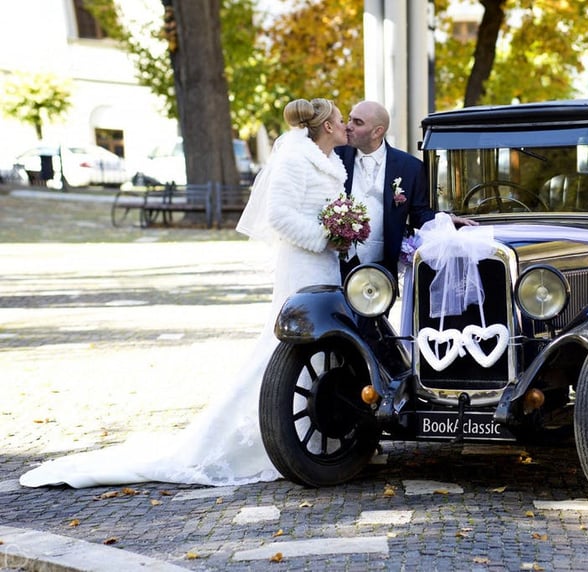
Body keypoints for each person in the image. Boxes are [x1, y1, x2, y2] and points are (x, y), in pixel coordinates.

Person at [19, 98, 349, 488]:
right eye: (341, 119)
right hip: (303, 264)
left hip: (327, 265)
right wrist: (323, 236)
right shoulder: (294, 158)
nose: (345, 124)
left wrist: (343, 233)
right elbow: (279, 215)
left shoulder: (331, 163)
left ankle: (323, 435)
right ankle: (274, 436)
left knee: (326, 343)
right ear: (327, 126)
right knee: (289, 348)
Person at [335, 100, 474, 278]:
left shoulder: (410, 167)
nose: (348, 126)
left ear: (377, 131)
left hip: (383, 269)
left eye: (358, 122)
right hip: (338, 264)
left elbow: (419, 214)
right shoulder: (335, 158)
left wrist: (445, 220)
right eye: (349, 119)